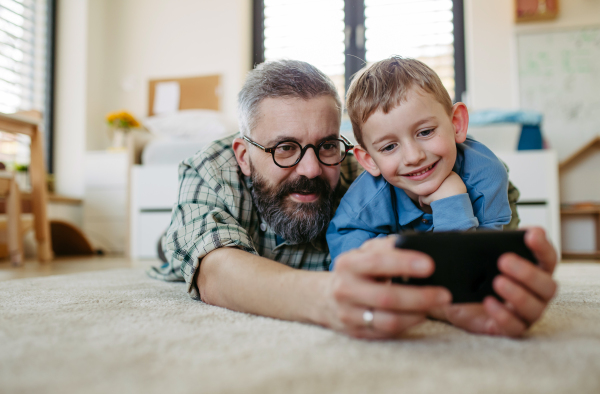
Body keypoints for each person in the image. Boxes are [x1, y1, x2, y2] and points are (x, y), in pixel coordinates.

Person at [151, 60, 557, 339]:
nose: (311, 169)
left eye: (326, 144)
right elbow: (217, 273)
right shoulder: (213, 168)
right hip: (194, 245)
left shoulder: (367, 172)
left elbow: (477, 237)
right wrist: (328, 296)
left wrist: (452, 294)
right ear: (244, 154)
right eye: (286, 148)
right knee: (177, 247)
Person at [327, 56, 512, 264]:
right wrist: (400, 251)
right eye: (389, 147)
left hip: (495, 206)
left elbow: (473, 266)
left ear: (456, 124)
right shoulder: (367, 198)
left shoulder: (487, 177)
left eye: (425, 132)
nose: (414, 157)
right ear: (370, 161)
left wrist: (451, 202)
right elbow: (346, 261)